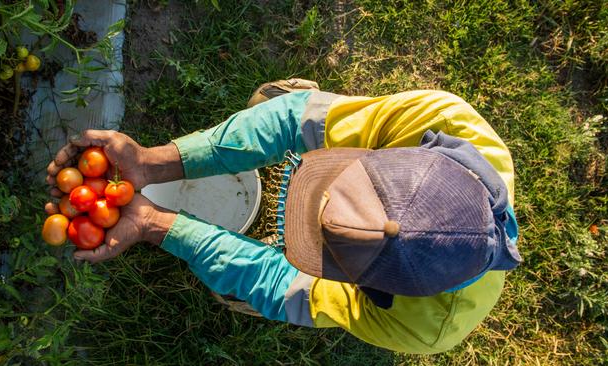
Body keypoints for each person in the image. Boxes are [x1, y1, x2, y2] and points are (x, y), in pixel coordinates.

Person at [45, 79, 521, 354]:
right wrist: (154, 163)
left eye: (326, 249)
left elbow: (289, 288)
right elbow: (295, 120)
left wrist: (157, 225)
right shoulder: (440, 120)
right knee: (297, 109)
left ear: (380, 292)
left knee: (252, 290)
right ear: (406, 154)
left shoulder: (422, 327)